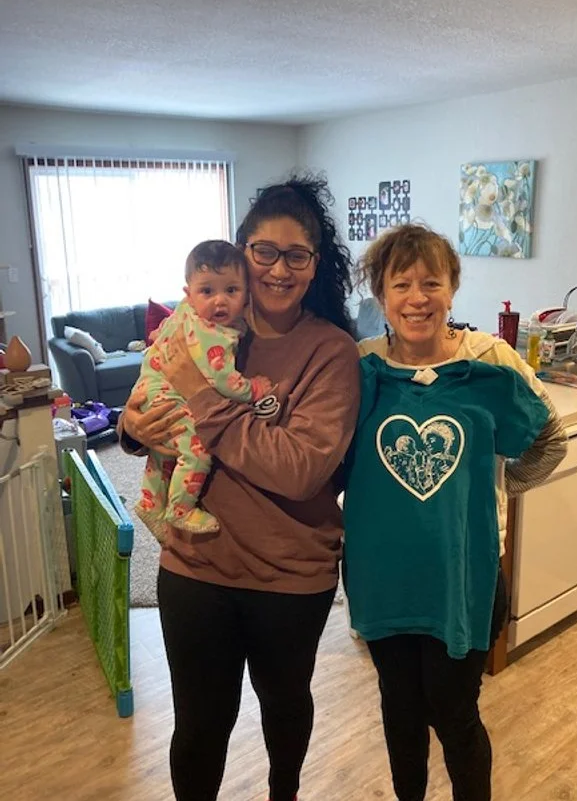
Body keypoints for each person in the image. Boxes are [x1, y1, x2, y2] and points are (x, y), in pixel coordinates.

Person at [119, 176, 360, 801]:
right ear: (240, 254)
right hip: (196, 566)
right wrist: (130, 425)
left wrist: (204, 403)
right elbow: (150, 390)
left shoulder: (331, 352)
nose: (278, 269)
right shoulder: (200, 322)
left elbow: (301, 468)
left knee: (284, 712)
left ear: (314, 266)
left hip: (290, 573)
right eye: (263, 252)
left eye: (296, 255)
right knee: (199, 727)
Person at [343, 223, 568, 801]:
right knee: (399, 709)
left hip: (464, 576)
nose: (417, 298)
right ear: (381, 297)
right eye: (401, 285)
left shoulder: (488, 365)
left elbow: (549, 441)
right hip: (383, 579)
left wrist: (485, 500)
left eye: (431, 283)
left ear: (452, 288)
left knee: (454, 712)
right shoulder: (359, 372)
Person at [133, 239, 273, 541]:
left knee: (164, 449)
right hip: (167, 394)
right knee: (195, 450)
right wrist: (255, 388)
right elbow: (223, 381)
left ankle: (149, 502)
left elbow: (164, 331)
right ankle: (180, 509)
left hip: (149, 387)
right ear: (189, 293)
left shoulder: (185, 311)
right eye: (207, 291)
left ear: (246, 294)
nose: (219, 301)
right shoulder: (213, 334)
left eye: (231, 291)